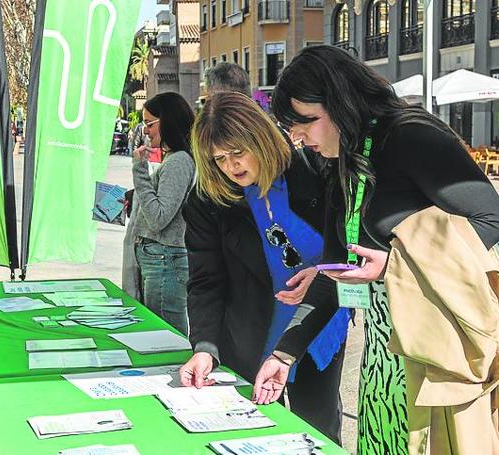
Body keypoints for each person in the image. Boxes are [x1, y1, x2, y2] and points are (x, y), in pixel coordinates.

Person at [268, 45, 499, 454]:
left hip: (438, 350)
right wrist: (285, 354)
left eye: (305, 122)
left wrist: (396, 267)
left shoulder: (412, 136)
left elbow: (491, 218)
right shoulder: (344, 156)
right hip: (382, 360)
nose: (297, 138)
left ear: (340, 101)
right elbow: (341, 265)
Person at [179, 91, 351, 443]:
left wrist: (325, 273)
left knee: (317, 429)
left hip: (318, 320)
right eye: (220, 159)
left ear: (259, 138)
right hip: (252, 325)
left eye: (238, 152)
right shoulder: (207, 201)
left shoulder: (313, 170)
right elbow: (206, 280)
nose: (231, 166)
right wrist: (204, 346)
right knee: (251, 430)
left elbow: (346, 250)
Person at [130, 92, 196, 336]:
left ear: (168, 121)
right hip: (159, 258)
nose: (146, 131)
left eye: (150, 123)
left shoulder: (179, 161)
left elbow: (159, 217)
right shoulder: (174, 158)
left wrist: (140, 172)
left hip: (164, 259)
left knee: (165, 336)